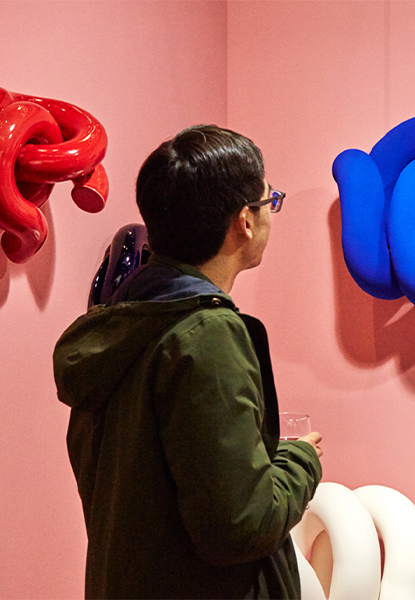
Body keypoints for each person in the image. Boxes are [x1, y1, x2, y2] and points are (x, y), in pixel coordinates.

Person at [53, 125, 323, 599]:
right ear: (244, 221)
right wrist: (300, 461)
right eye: (270, 201)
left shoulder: (117, 327)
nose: (270, 215)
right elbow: (240, 526)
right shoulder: (206, 336)